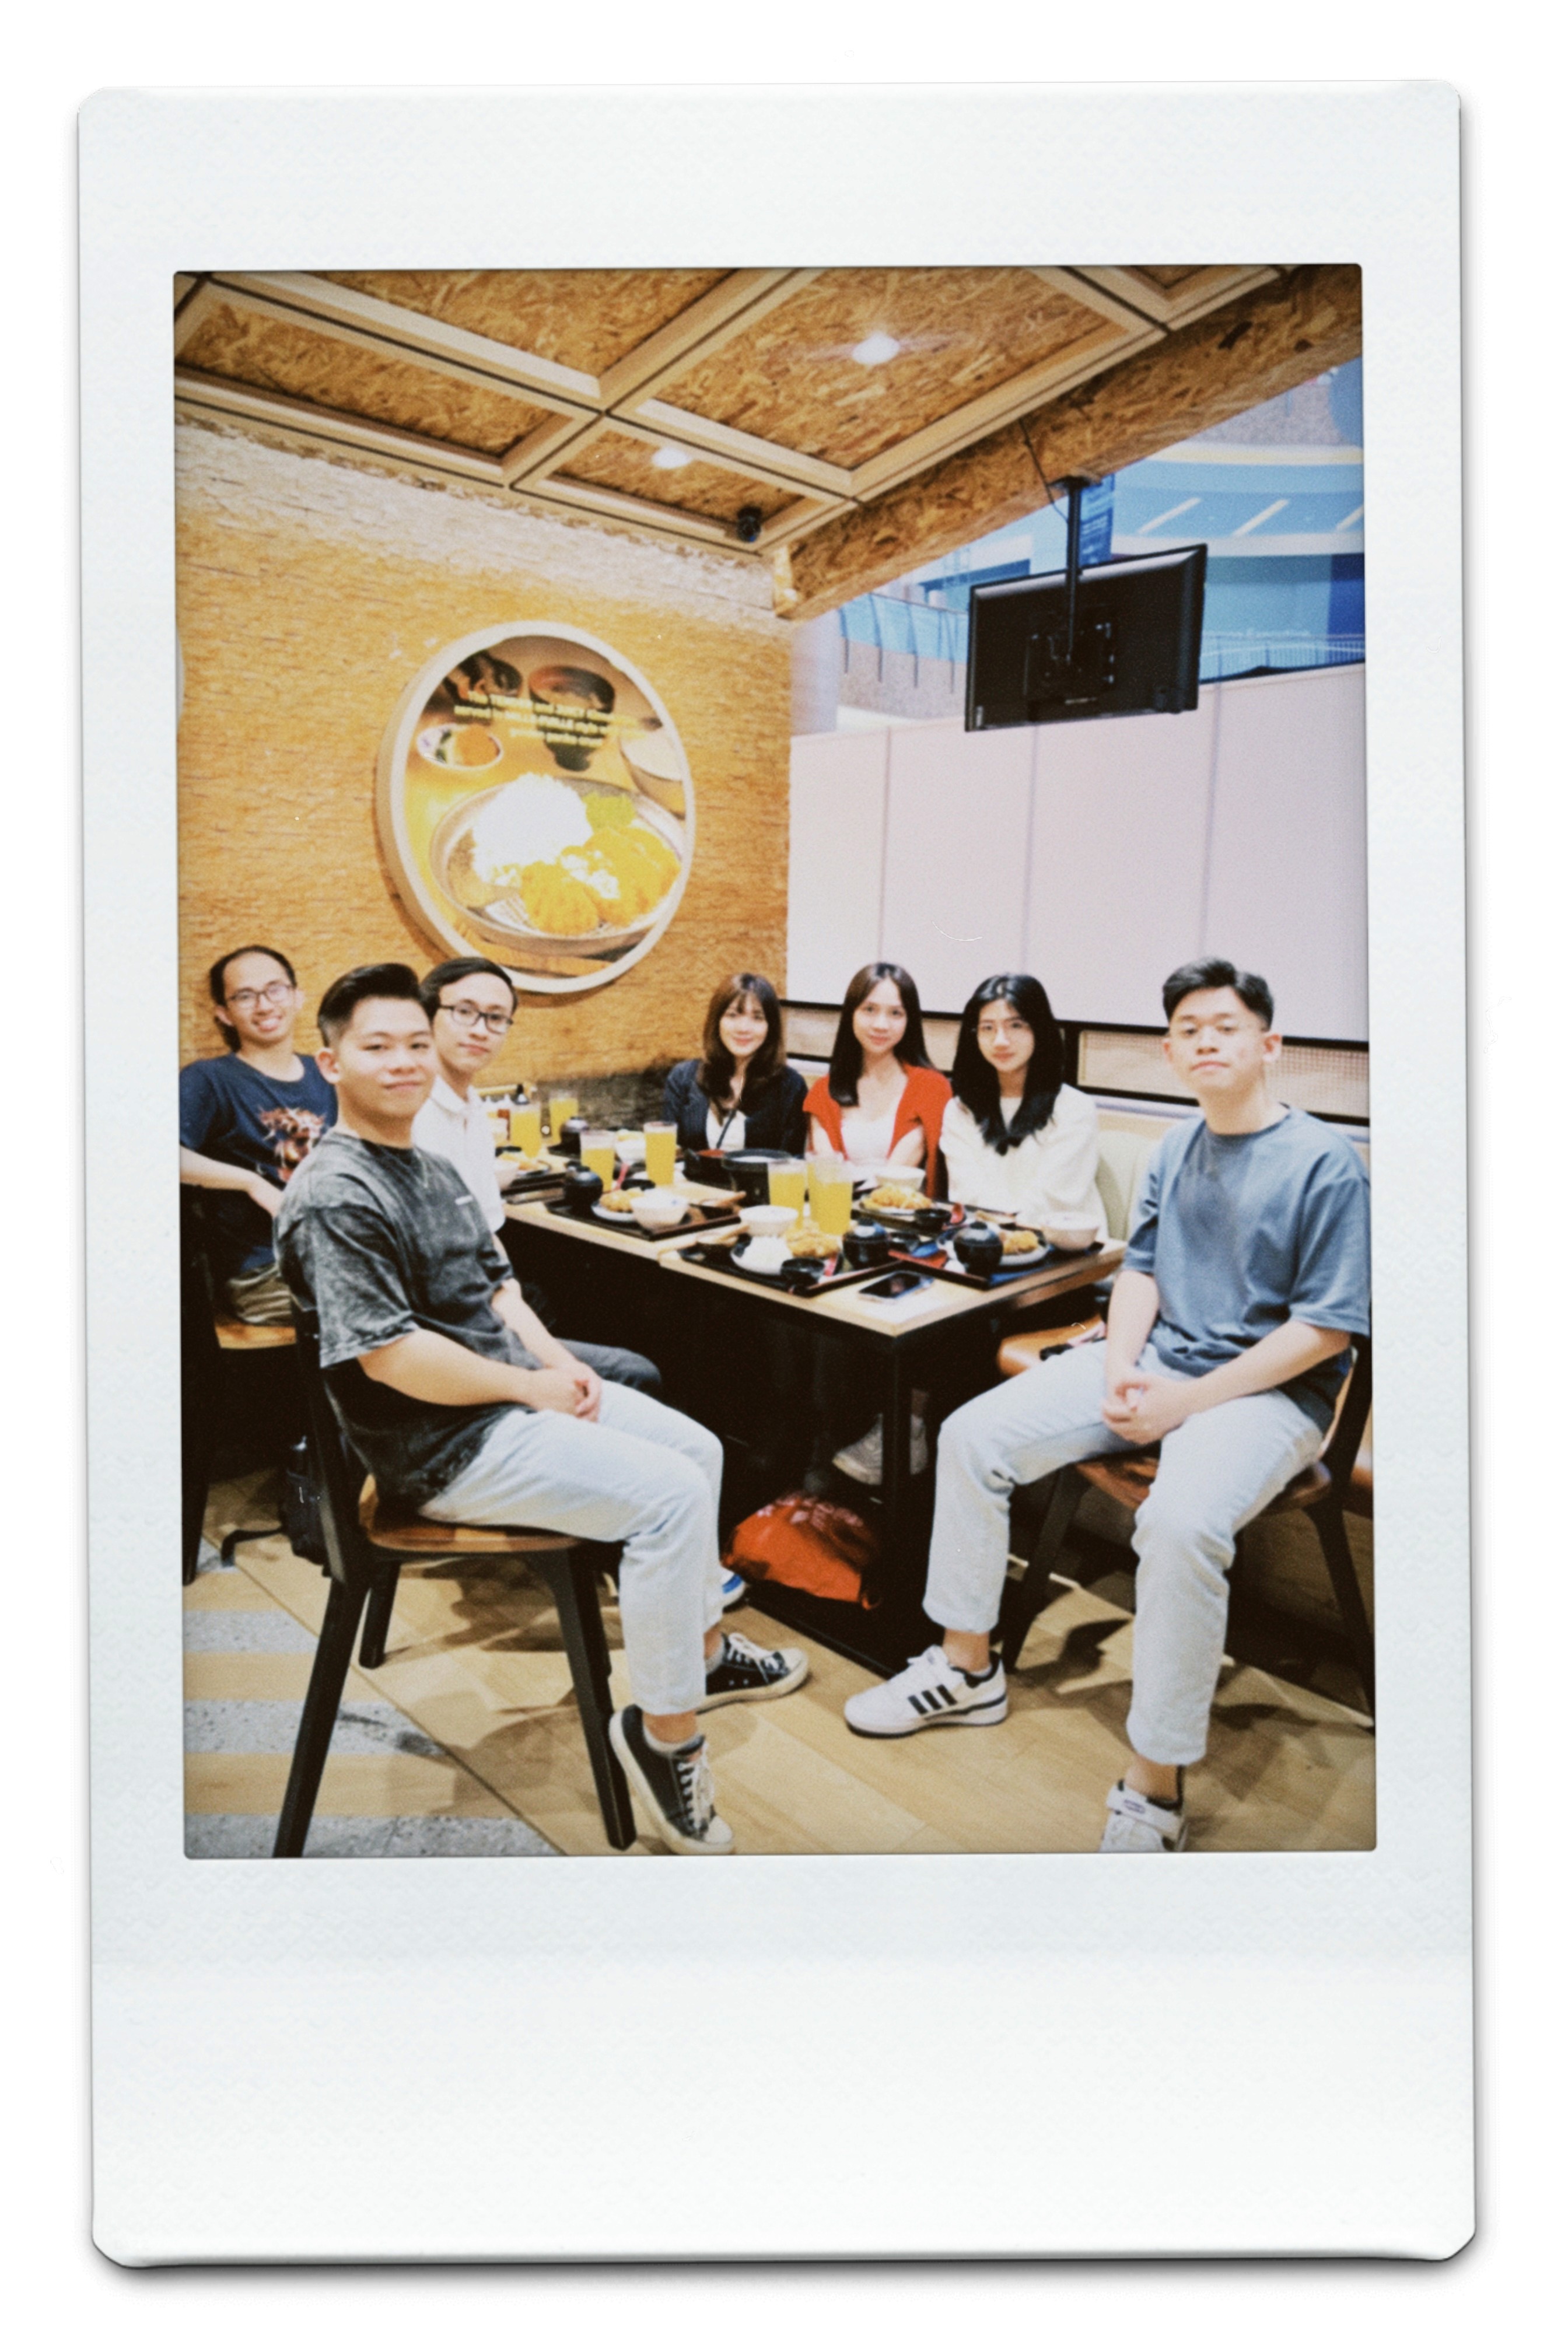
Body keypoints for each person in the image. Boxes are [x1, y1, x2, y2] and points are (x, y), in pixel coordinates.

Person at [274, 964, 807, 1858]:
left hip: (505, 1402)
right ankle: (665, 1737)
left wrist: (560, 1366)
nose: (405, 1061)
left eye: (415, 1043)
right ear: (331, 1062)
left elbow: (497, 1287)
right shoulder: (338, 1192)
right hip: (440, 1446)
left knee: (700, 1451)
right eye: (378, 1046)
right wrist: (529, 1388)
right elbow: (391, 1357)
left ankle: (705, 1656)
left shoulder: (428, 1162)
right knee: (671, 1499)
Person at [842, 958, 1370, 1856]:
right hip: (1155, 1363)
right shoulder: (1176, 1147)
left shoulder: (1325, 1164)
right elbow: (1142, 1273)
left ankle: (1154, 1786)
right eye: (1189, 1030)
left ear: (1270, 1044)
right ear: (1170, 1051)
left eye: (1227, 1027)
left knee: (1179, 1524)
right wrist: (1122, 1365)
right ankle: (967, 1666)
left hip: (1270, 1396)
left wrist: (1184, 1401)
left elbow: (1325, 1331)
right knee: (971, 1436)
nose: (1206, 1042)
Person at [411, 955, 668, 1410]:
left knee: (595, 1306)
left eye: (496, 1018)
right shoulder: (412, 1116)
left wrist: (517, 1308)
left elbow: (488, 1239)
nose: (480, 1029)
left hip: (485, 1311)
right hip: (451, 1336)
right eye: (464, 1012)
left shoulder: (471, 1107)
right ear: (427, 1015)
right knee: (636, 1371)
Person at [179, 943, 336, 1323]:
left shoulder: (326, 1073)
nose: (264, 1006)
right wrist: (252, 1183)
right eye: (245, 996)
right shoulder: (209, 1079)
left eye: (275, 990)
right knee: (391, 1308)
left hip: (337, 1254)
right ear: (224, 1013)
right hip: (264, 1272)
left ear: (297, 997)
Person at [940, 973, 1107, 1241]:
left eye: (1016, 1025)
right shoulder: (960, 1110)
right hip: (985, 1245)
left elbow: (1055, 1199)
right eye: (987, 1028)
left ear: (1039, 1029)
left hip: (1064, 1248)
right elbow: (967, 1194)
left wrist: (1004, 1232)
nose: (1000, 1041)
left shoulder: (1074, 1108)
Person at [804, 963, 950, 1188]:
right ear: (851, 1014)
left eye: (895, 1013)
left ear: (909, 1020)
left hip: (900, 1205)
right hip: (837, 1205)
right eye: (869, 1010)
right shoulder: (823, 1092)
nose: (881, 1025)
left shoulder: (931, 1088)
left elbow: (892, 1182)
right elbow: (827, 1174)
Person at [663, 972, 808, 1156]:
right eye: (733, 1015)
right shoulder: (683, 1077)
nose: (743, 1028)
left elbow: (791, 1163)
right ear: (717, 1021)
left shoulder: (791, 1087)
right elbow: (669, 1152)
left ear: (770, 1027)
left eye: (757, 1017)